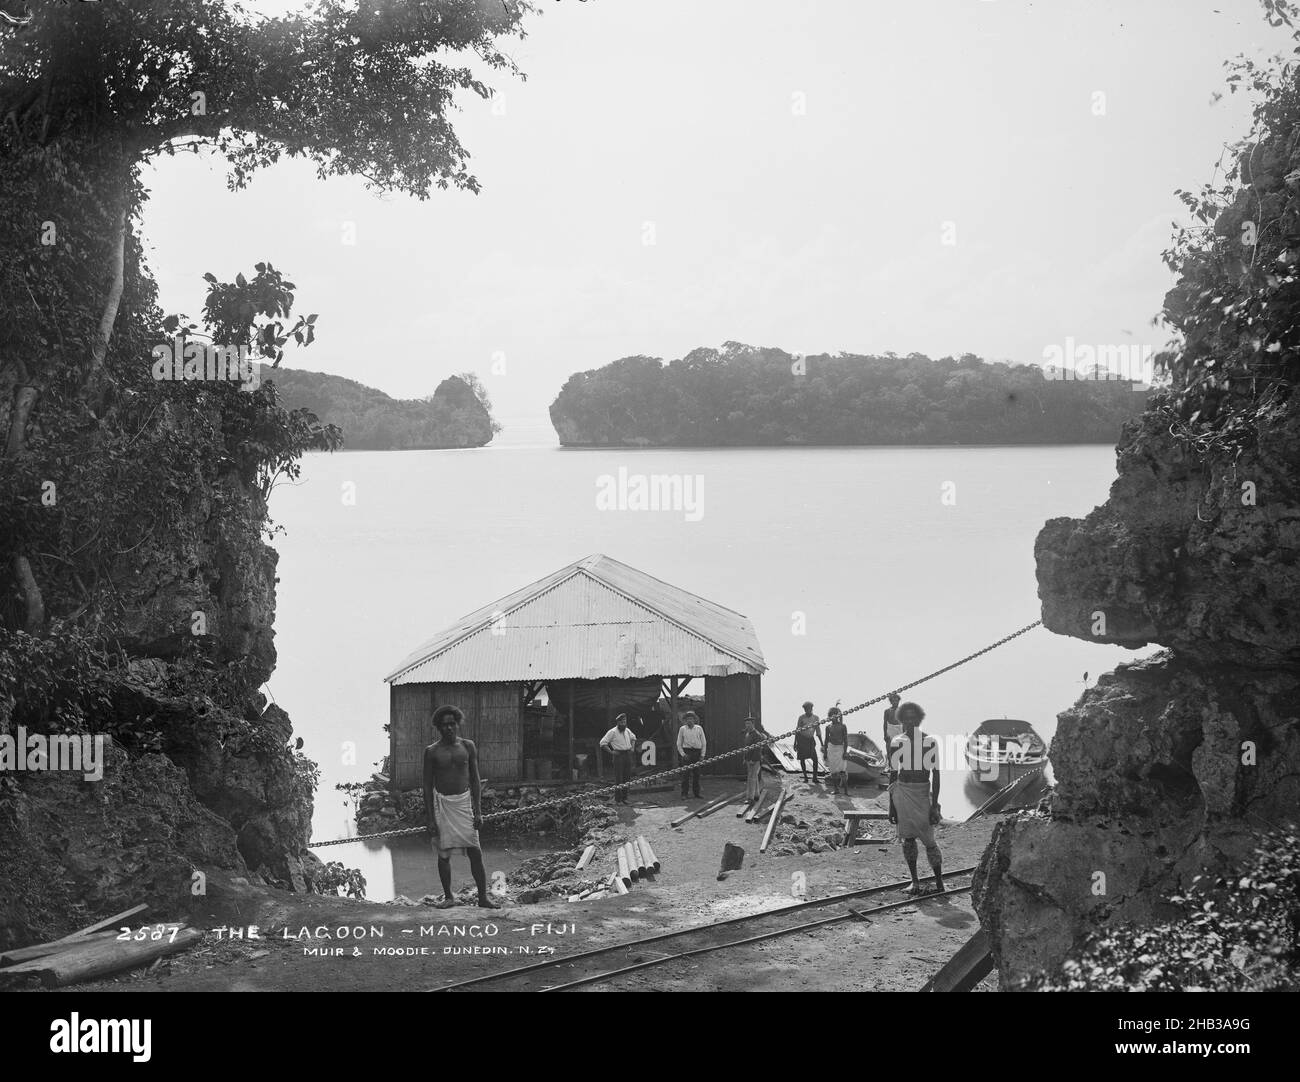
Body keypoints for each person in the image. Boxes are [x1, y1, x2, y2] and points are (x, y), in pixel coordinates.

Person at [422, 705, 499, 909]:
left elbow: (475, 779)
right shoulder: (431, 752)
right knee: (443, 854)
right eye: (444, 725)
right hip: (443, 805)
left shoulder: (467, 746)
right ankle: (449, 897)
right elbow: (427, 786)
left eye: (452, 724)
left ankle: (483, 898)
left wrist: (478, 811)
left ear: (457, 724)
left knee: (475, 851)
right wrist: (430, 819)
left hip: (464, 804)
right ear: (438, 727)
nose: (449, 728)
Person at [887, 701, 945, 896]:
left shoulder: (929, 742)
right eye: (907, 718)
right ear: (901, 720)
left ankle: (939, 882)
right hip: (902, 793)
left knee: (929, 840)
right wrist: (891, 806)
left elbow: (936, 774)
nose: (910, 721)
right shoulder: (896, 742)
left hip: (922, 793)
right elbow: (893, 775)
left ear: (919, 719)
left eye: (914, 718)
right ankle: (915, 882)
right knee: (908, 839)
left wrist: (935, 804)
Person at [600, 713, 638, 804]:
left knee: (627, 777)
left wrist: (632, 748)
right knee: (619, 778)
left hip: (627, 755)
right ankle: (618, 800)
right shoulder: (612, 732)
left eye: (624, 722)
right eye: (621, 722)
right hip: (618, 756)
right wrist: (611, 752)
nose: (623, 724)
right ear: (618, 722)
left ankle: (625, 798)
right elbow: (602, 743)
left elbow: (634, 738)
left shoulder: (627, 730)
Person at [675, 710, 706, 798]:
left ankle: (697, 793)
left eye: (691, 718)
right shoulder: (682, 729)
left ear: (694, 719)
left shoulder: (699, 728)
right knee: (685, 775)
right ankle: (684, 794)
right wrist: (683, 754)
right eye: (688, 719)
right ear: (685, 720)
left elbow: (704, 742)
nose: (689, 720)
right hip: (687, 752)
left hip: (697, 752)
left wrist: (702, 755)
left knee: (697, 774)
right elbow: (678, 743)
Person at [822, 704, 849, 795]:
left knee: (842, 771)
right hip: (831, 749)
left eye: (834, 715)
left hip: (840, 749)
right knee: (833, 771)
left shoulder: (842, 726)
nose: (832, 717)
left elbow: (845, 740)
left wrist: (845, 752)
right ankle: (836, 789)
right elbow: (826, 740)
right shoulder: (828, 727)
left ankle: (845, 791)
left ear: (837, 716)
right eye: (831, 715)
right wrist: (825, 752)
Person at [794, 701, 822, 783]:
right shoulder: (801, 718)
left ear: (811, 708)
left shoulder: (816, 718)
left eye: (808, 708)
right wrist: (795, 742)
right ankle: (805, 777)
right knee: (802, 759)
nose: (807, 710)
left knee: (815, 759)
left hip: (810, 740)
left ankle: (814, 777)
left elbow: (818, 731)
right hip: (801, 739)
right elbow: (797, 730)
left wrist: (822, 743)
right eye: (805, 709)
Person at [742, 714, 767, 803]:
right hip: (749, 759)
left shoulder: (757, 735)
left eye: (749, 724)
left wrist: (753, 760)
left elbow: (758, 749)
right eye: (746, 724)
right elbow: (746, 747)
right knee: (754, 776)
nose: (747, 726)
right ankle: (756, 795)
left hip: (755, 759)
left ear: (753, 724)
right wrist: (745, 758)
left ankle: (750, 798)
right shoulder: (747, 734)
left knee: (751, 778)